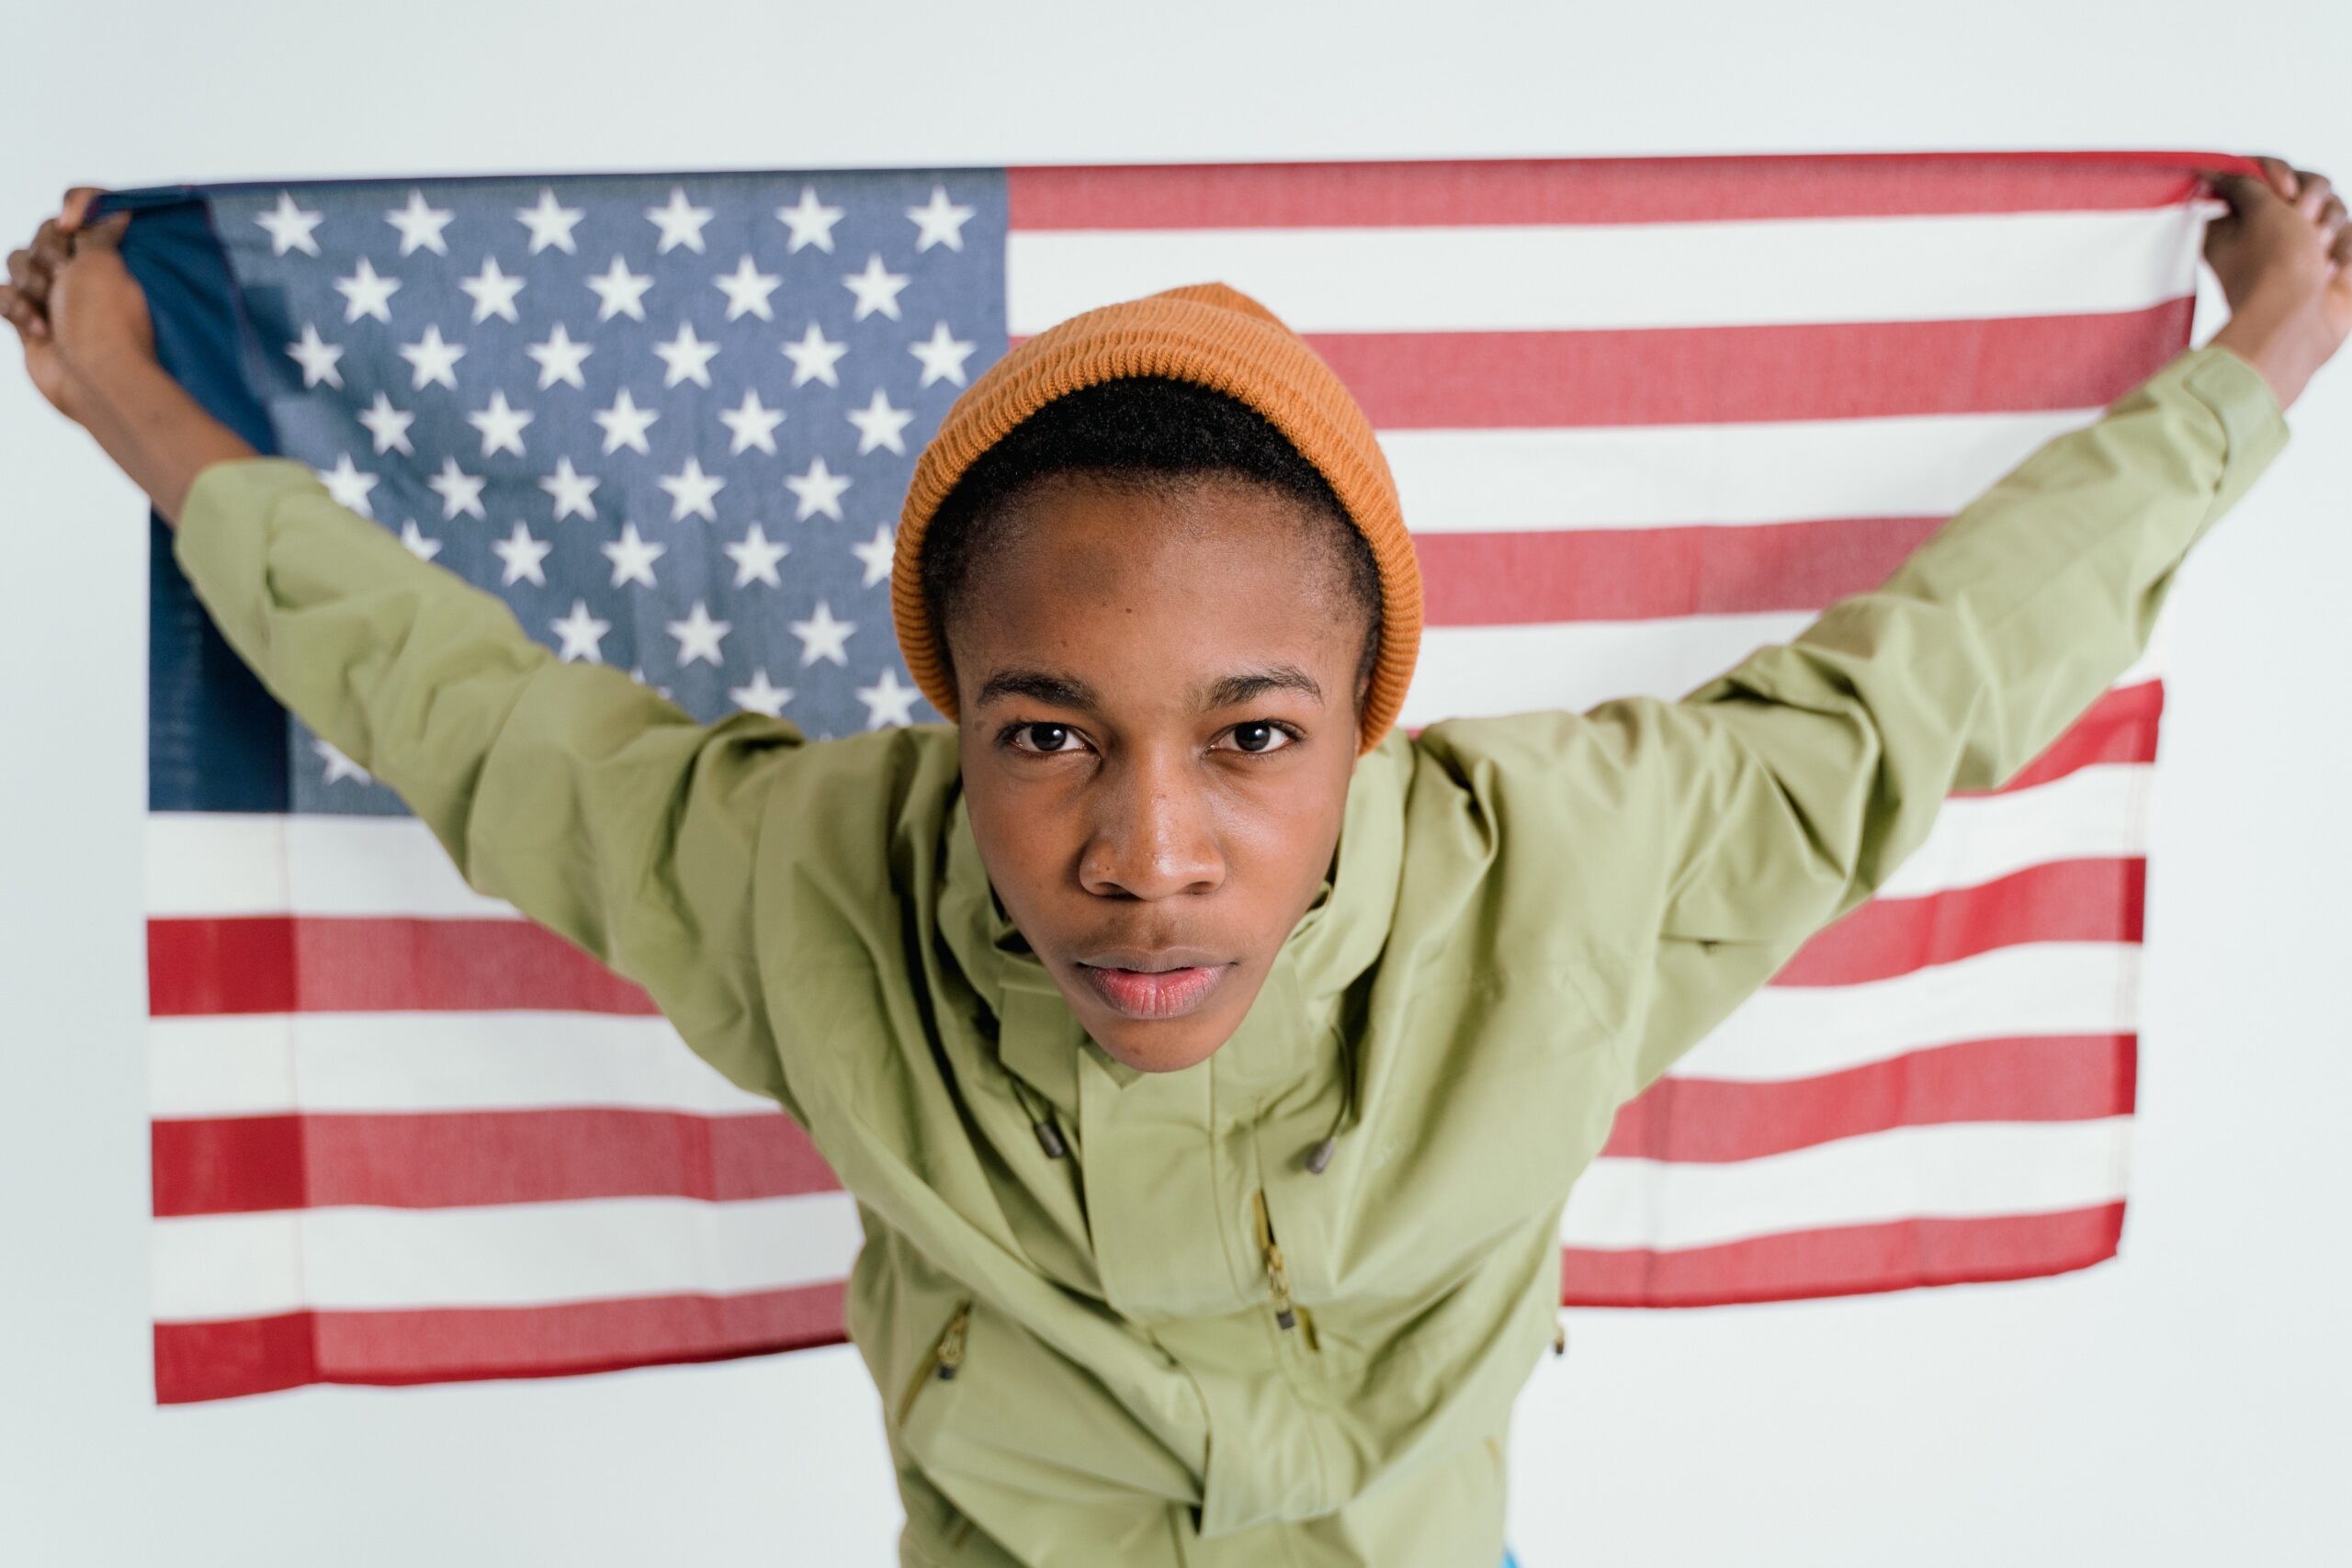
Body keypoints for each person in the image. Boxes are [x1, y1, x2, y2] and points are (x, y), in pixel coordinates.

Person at [6, 154, 2347, 1568]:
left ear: (1366, 724)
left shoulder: (1581, 862)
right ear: (943, 707)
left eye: (1249, 737)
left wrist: (2237, 367)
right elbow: (457, 697)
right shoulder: (788, 873)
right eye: (1047, 734)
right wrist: (131, 399)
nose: (1146, 853)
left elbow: (1933, 668)